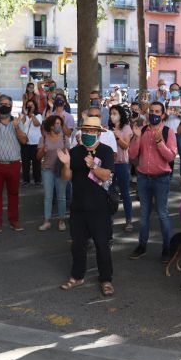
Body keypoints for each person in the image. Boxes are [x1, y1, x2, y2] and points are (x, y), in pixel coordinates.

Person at [58, 117, 116, 296]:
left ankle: (106, 280)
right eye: (86, 131)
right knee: (77, 244)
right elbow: (66, 177)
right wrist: (67, 164)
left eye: (92, 131)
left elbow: (106, 176)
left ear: (99, 133)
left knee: (102, 245)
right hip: (78, 207)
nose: (88, 134)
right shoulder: (75, 152)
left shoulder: (106, 152)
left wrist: (93, 167)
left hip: (99, 208)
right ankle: (77, 276)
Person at [128, 101, 178, 262]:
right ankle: (142, 246)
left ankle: (166, 248)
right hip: (143, 178)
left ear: (163, 115)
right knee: (144, 215)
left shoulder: (168, 132)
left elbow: (170, 157)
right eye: (152, 111)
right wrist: (136, 137)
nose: (154, 114)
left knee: (162, 214)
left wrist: (159, 142)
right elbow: (132, 155)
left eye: (157, 111)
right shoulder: (142, 130)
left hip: (161, 179)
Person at [0, 95, 28, 233]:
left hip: (13, 164)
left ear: (11, 106)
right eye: (2, 103)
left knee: (13, 193)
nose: (5, 106)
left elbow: (24, 141)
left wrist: (17, 128)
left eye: (8, 104)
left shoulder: (17, 121)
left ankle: (14, 220)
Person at [36, 115, 70, 232]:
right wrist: (42, 150)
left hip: (60, 170)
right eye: (56, 123)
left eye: (60, 123)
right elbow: (38, 157)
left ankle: (61, 220)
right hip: (47, 170)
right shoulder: (43, 139)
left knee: (61, 197)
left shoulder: (65, 138)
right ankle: (47, 221)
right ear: (50, 126)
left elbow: (68, 155)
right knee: (48, 196)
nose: (59, 126)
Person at [108, 105, 134, 232]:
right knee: (110, 192)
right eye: (111, 113)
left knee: (125, 193)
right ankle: (109, 218)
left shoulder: (126, 128)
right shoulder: (108, 128)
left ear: (120, 114)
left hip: (122, 164)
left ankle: (128, 220)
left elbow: (126, 146)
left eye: (114, 113)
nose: (112, 115)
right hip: (110, 165)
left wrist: (116, 136)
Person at [20, 99, 44, 186]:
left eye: (31, 105)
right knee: (25, 162)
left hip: (35, 142)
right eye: (28, 105)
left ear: (35, 106)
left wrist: (32, 116)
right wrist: (25, 115)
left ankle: (37, 179)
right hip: (25, 142)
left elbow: (37, 124)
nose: (30, 107)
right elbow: (20, 124)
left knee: (36, 162)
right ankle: (26, 180)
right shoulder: (24, 115)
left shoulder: (38, 115)